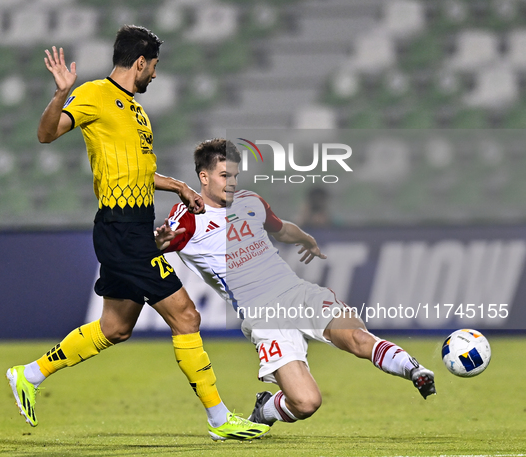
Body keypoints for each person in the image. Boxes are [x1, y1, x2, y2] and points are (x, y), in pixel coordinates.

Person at [5, 26, 269, 441]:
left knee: (114, 327)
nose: (156, 76)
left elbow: (141, 172)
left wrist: (181, 186)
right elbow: (45, 134)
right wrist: (60, 94)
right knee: (187, 316)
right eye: (155, 67)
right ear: (140, 62)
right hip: (120, 230)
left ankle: (29, 374)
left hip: (130, 228)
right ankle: (220, 419)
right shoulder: (93, 95)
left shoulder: (137, 112)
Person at [156, 138, 436, 429]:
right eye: (224, 175)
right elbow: (160, 241)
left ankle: (415, 370)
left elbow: (281, 228)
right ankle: (266, 409)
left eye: (235, 175)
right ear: (204, 177)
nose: (232, 183)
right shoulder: (188, 219)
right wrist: (160, 241)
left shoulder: (250, 201)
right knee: (306, 403)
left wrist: (305, 238)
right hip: (263, 315)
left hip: (297, 293)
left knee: (358, 338)